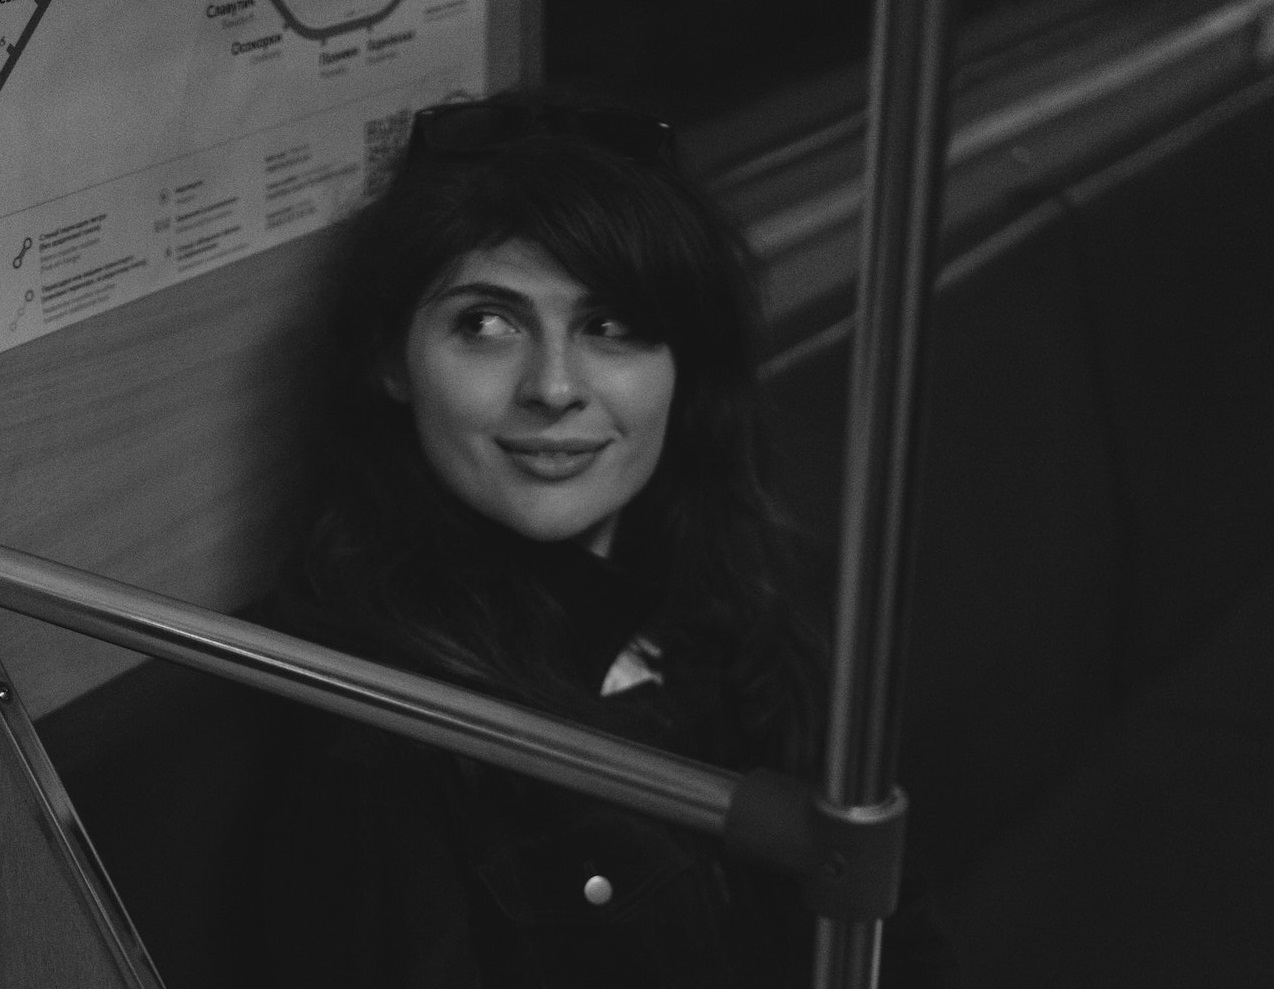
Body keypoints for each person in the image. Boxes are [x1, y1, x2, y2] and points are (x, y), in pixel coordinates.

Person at [247, 89, 944, 988]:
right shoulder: (374, 738)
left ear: (682, 369)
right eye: (486, 324)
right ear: (390, 359)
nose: (554, 387)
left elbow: (899, 930)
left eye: (611, 327)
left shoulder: (761, 595)